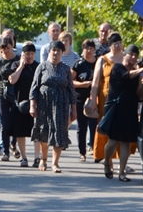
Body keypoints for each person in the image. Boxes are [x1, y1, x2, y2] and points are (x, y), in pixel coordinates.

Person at [96, 44, 143, 181]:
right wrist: (142, 70)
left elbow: (140, 95)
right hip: (116, 110)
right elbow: (125, 76)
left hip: (130, 110)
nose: (134, 57)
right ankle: (107, 161)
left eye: (136, 55)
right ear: (125, 54)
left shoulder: (137, 73)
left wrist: (141, 83)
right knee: (113, 141)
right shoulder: (117, 68)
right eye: (131, 54)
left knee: (126, 142)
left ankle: (122, 172)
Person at [29, 40, 75, 172]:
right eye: (53, 50)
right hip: (44, 104)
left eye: (58, 51)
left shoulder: (66, 69)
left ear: (62, 53)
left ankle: (55, 163)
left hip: (61, 105)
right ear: (49, 51)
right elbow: (34, 87)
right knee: (44, 132)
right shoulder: (42, 67)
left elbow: (71, 90)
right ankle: (43, 160)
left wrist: (74, 110)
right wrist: (33, 105)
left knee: (59, 132)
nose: (55, 53)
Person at [90, 32, 125, 167]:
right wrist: (93, 100)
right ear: (110, 46)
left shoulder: (125, 59)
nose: (118, 46)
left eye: (120, 43)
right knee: (105, 127)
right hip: (106, 99)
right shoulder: (103, 59)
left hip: (123, 99)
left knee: (121, 128)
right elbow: (96, 82)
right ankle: (106, 158)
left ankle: (122, 160)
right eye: (115, 44)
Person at [7, 42, 38, 166]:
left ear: (34, 54)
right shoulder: (16, 65)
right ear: (22, 54)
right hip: (20, 104)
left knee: (36, 132)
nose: (29, 56)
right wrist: (21, 66)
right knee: (20, 132)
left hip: (35, 103)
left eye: (31, 53)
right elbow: (12, 80)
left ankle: (37, 158)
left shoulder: (38, 66)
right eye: (26, 53)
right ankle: (24, 157)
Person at [72, 39, 98, 161]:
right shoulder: (78, 64)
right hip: (80, 98)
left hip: (95, 98)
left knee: (94, 125)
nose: (89, 51)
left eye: (91, 48)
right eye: (87, 48)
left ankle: (93, 148)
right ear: (83, 50)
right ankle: (82, 152)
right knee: (81, 126)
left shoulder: (98, 63)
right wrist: (83, 84)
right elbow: (71, 81)